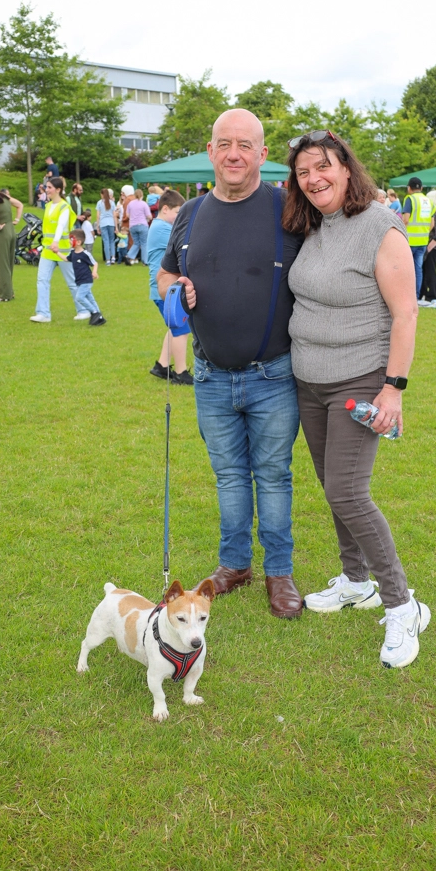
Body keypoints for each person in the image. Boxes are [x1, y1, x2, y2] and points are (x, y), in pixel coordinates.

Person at [284, 129, 430, 669]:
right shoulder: (313, 225)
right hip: (309, 381)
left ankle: (402, 604)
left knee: (348, 491)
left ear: (346, 168)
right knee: (332, 487)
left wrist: (393, 387)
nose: (314, 178)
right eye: (303, 172)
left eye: (323, 166)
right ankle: (354, 581)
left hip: (359, 381)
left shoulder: (379, 226)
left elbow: (405, 313)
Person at [157, 108, 305, 620]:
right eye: (225, 143)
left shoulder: (289, 207)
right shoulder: (191, 213)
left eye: (246, 144)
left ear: (263, 154)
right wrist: (173, 290)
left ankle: (279, 572)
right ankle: (235, 565)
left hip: (274, 376)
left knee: (273, 475)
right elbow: (164, 274)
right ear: (211, 151)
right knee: (229, 476)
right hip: (209, 376)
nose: (234, 153)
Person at [147, 188, 193, 385]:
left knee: (175, 327)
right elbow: (185, 246)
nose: (179, 218)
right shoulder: (162, 228)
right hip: (166, 289)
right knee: (182, 329)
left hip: (164, 289)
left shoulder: (160, 226)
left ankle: (162, 365)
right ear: (165, 209)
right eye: (177, 213)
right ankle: (181, 373)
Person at [30, 176, 85, 323]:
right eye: (46, 187)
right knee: (42, 280)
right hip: (48, 251)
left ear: (58, 190)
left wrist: (55, 242)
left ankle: (84, 310)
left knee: (72, 282)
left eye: (49, 187)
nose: (46, 190)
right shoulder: (48, 206)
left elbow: (61, 225)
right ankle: (43, 313)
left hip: (62, 250)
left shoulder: (64, 207)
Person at [401, 177, 433, 298]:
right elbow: (432, 223)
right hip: (423, 240)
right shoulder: (428, 201)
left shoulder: (410, 199)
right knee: (418, 269)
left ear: (409, 188)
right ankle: (416, 295)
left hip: (410, 240)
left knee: (406, 269)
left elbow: (406, 219)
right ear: (422, 188)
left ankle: (406, 295)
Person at [68, 229, 106, 325]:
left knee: (79, 297)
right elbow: (66, 259)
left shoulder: (85, 254)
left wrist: (94, 272)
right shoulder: (72, 253)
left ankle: (94, 313)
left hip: (86, 280)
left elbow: (95, 263)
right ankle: (99, 317)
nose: (69, 241)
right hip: (79, 281)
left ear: (79, 242)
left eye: (71, 239)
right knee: (90, 298)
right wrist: (56, 252)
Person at [125, 189, 151, 265]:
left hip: (133, 225)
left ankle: (129, 255)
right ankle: (145, 261)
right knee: (144, 243)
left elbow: (127, 215)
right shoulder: (144, 204)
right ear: (142, 195)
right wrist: (148, 219)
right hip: (142, 224)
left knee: (136, 243)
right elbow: (149, 216)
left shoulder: (130, 204)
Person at [96, 188, 117, 265]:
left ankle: (108, 259)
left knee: (106, 241)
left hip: (103, 223)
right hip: (111, 223)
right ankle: (113, 257)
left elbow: (98, 216)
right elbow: (114, 215)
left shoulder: (99, 203)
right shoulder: (112, 202)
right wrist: (116, 226)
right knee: (112, 240)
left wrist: (97, 226)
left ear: (102, 194)